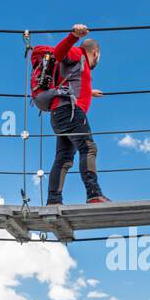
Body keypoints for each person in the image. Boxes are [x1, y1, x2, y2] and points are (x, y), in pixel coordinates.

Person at [46, 23, 109, 205]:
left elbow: (71, 85)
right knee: (89, 148)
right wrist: (74, 36)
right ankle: (94, 194)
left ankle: (53, 200)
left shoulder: (78, 67)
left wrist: (89, 92)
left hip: (59, 114)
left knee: (64, 158)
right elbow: (59, 54)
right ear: (95, 52)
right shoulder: (78, 54)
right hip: (71, 113)